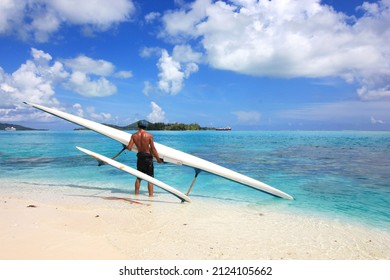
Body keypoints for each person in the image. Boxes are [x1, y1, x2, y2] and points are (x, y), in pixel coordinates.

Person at [127, 120, 162, 197]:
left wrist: (126, 146)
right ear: (145, 126)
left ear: (138, 126)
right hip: (148, 157)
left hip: (140, 157)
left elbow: (129, 148)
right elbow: (153, 149)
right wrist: (158, 159)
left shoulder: (134, 136)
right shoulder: (149, 135)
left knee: (139, 177)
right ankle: (151, 196)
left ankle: (136, 195)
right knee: (150, 178)